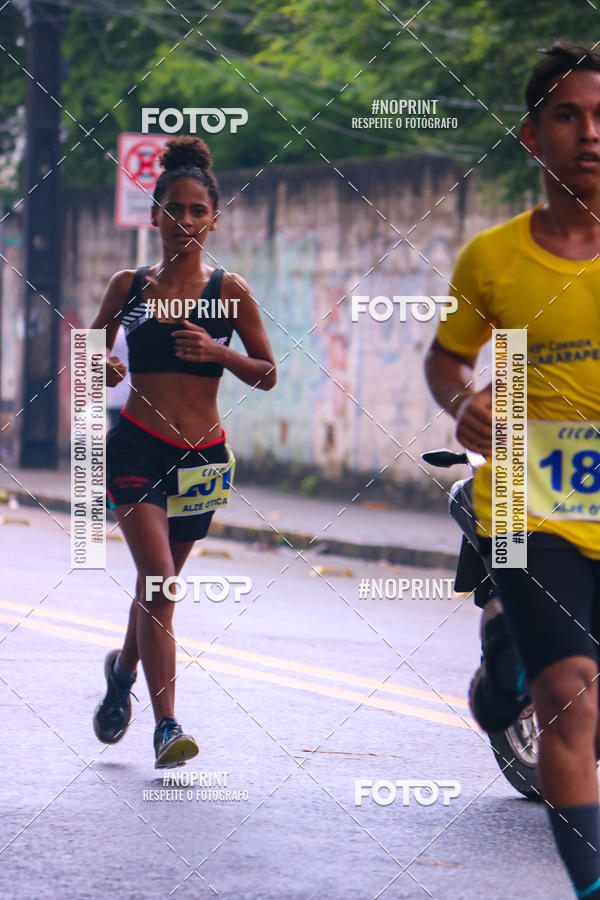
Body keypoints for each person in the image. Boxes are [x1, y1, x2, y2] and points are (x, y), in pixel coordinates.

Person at [425, 42, 600, 899]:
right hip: (533, 505)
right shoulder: (491, 260)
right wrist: (462, 401)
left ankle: (501, 675)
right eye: (568, 115)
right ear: (533, 137)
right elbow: (446, 362)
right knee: (572, 694)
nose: (590, 133)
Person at [90, 136, 276, 768]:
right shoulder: (128, 286)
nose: (184, 222)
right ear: (154, 216)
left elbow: (267, 373)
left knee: (156, 587)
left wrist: (220, 353)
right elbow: (89, 360)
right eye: (173, 210)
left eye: (197, 211)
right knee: (161, 582)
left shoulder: (230, 291)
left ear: (214, 218)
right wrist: (105, 370)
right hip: (137, 448)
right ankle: (167, 724)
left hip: (203, 461)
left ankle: (121, 676)